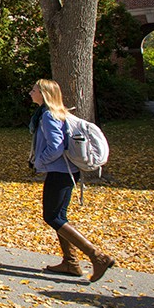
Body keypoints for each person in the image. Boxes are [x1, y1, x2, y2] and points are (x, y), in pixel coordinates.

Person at [29, 79, 115, 282]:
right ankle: (70, 263)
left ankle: (97, 256)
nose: (30, 92)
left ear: (43, 93)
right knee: (59, 216)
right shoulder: (57, 113)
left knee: (53, 217)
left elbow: (56, 147)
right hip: (67, 172)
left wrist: (39, 161)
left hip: (60, 173)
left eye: (33, 90)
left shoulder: (48, 116)